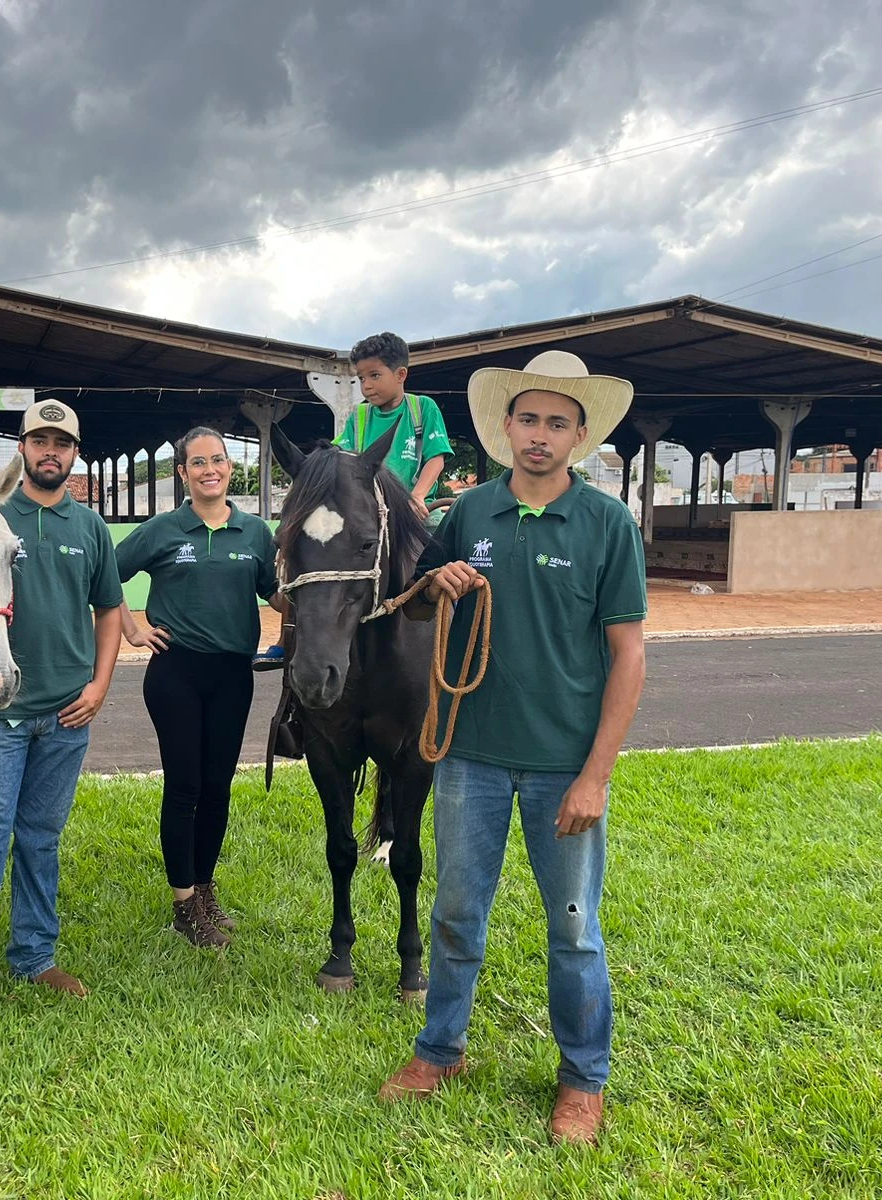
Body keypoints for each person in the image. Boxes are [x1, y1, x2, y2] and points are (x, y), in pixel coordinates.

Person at [376, 350, 647, 1148]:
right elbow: (417, 608)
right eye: (528, 419)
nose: (540, 435)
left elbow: (629, 654)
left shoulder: (607, 524)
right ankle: (440, 1052)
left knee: (574, 928)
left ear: (580, 434)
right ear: (505, 427)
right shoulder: (468, 513)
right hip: (470, 757)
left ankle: (581, 1081)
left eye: (557, 422)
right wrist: (436, 586)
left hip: (565, 763)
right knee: (458, 912)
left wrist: (595, 775)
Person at [0, 398, 123, 1039]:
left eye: (61, 443)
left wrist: (99, 685)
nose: (50, 452)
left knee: (40, 839)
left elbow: (110, 612)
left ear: (75, 453)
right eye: (40, 440)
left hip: (67, 713)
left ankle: (34, 958)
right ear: (22, 447)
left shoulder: (90, 528)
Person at [116, 427, 284, 948]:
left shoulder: (256, 533)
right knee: (185, 785)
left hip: (234, 673)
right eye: (198, 463)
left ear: (231, 468)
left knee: (217, 787)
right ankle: (184, 902)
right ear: (183, 472)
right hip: (176, 671)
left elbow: (277, 596)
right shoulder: (164, 529)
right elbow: (103, 574)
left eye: (219, 460)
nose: (210, 469)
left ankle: (206, 888)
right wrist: (132, 627)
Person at [254, 330, 452, 669]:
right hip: (368, 510)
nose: (367, 386)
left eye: (375, 376)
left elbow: (437, 456)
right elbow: (338, 455)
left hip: (414, 513)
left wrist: (418, 495)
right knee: (304, 559)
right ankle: (287, 639)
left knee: (446, 562)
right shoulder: (360, 417)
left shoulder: (422, 409)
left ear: (400, 374)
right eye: (361, 378)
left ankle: (455, 638)